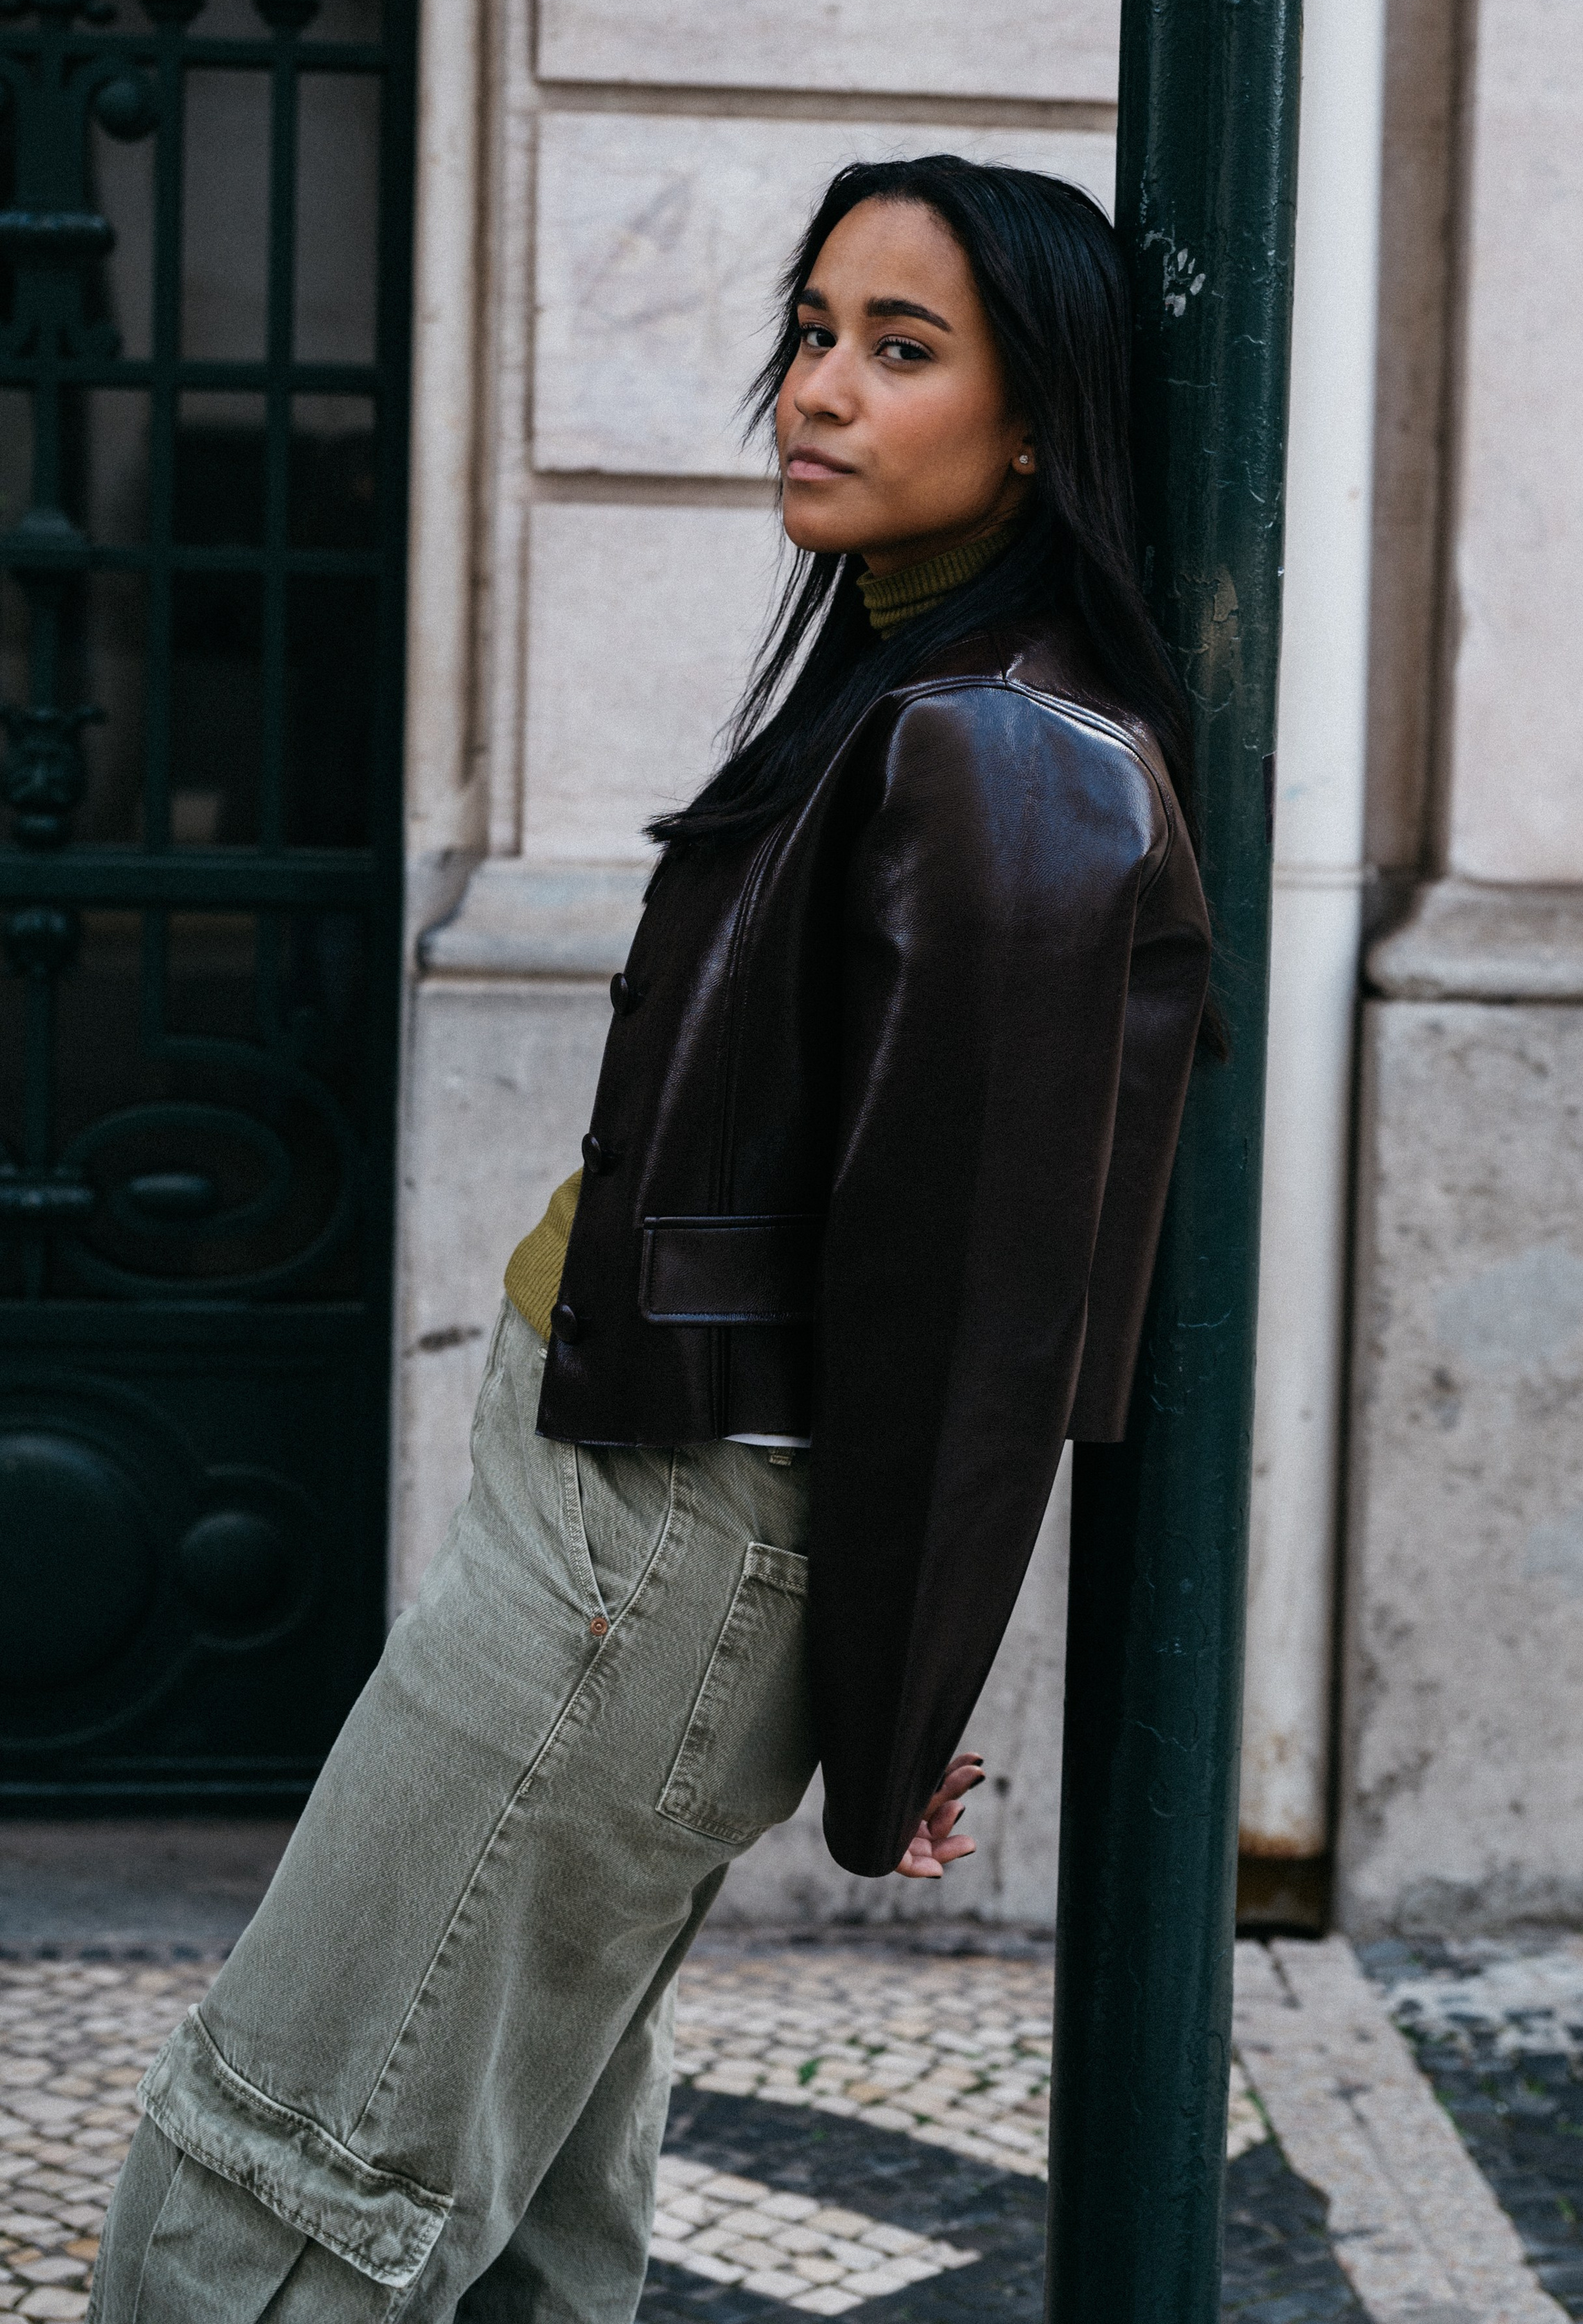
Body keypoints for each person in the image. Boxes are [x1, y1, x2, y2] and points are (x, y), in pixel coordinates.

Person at [94, 155, 1212, 2321]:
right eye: (814, 332)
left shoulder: (1009, 757)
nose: (820, 391)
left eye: (903, 351)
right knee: (524, 2225)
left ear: (1040, 422)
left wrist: (895, 1726)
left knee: (273, 2188)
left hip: (655, 1559)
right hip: (623, 1514)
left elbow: (973, 1316)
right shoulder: (915, 702)